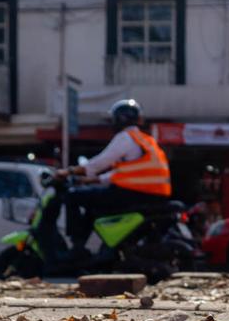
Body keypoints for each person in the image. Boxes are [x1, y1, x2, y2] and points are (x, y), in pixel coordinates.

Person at [58, 99, 173, 255]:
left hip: (134, 194)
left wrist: (69, 171)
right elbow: (129, 173)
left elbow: (100, 162)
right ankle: (89, 248)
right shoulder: (146, 140)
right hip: (154, 195)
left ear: (120, 119)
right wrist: (95, 180)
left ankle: (76, 245)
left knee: (73, 196)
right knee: (93, 206)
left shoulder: (125, 137)